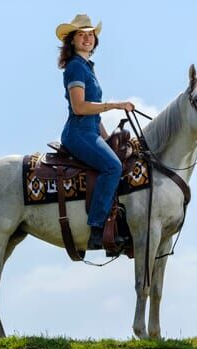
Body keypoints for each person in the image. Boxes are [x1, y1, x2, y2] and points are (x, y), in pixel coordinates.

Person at [56, 14, 134, 250]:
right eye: (81, 34)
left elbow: (93, 114)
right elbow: (80, 107)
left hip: (90, 130)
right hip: (78, 133)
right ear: (72, 40)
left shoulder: (87, 67)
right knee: (113, 167)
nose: (87, 38)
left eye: (90, 34)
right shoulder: (75, 68)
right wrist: (115, 105)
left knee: (117, 157)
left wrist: (107, 137)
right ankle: (97, 229)